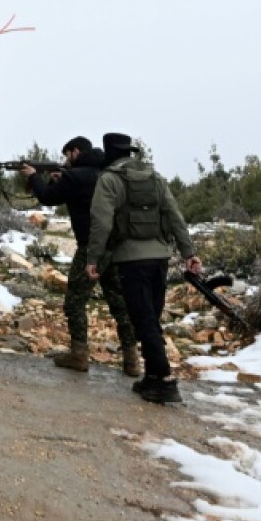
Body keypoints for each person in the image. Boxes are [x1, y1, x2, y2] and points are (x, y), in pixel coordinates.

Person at [84, 133, 200, 404]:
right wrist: (188, 253)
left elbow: (101, 223)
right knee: (151, 318)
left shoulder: (109, 180)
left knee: (143, 319)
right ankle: (152, 378)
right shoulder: (155, 178)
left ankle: (164, 379)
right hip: (159, 258)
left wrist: (93, 259)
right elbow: (174, 216)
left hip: (129, 259)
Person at [22, 137, 141, 375]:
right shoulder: (105, 173)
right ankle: (131, 360)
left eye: (67, 155)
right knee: (119, 303)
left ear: (76, 152)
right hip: (115, 247)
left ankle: (79, 355)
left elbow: (47, 197)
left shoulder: (76, 177)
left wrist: (34, 177)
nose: (66, 160)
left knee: (75, 301)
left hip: (91, 248)